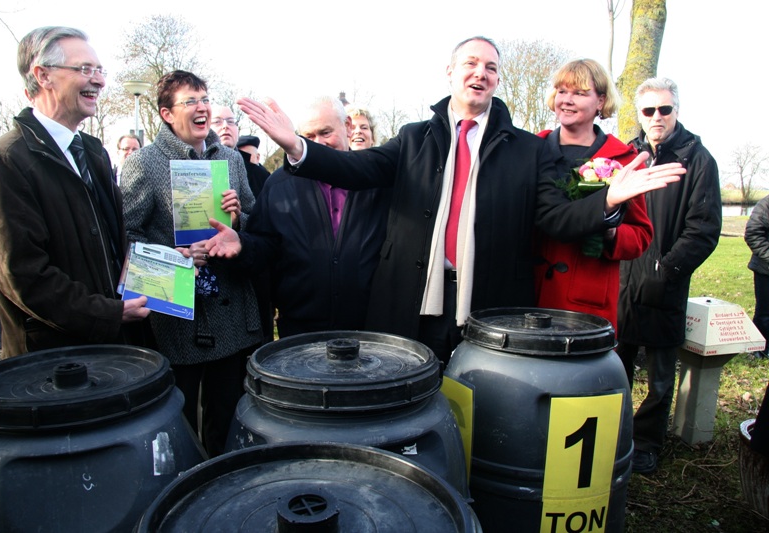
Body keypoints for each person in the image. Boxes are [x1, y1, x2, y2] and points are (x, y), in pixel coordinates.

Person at [226, 36, 685, 365]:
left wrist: (608, 200)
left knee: (480, 405)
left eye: (490, 67)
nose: (480, 72)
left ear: (497, 80)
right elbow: (356, 169)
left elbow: (555, 218)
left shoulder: (528, 150)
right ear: (450, 73)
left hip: (487, 303)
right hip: (413, 299)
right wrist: (297, 146)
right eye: (470, 63)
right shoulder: (413, 139)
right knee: (413, 396)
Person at [0, 26, 150, 358]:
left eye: (100, 70)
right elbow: (23, 276)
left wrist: (165, 266)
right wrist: (107, 314)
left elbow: (114, 245)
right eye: (85, 69)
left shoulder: (93, 153)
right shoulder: (6, 161)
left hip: (113, 350)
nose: (99, 81)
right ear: (43, 76)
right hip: (54, 363)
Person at [121, 70, 262, 457]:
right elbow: (127, 235)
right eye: (191, 101)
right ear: (167, 114)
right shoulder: (144, 163)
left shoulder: (231, 160)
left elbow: (255, 224)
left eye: (205, 99)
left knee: (227, 421)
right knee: (178, 427)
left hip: (231, 314)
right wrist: (175, 257)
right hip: (176, 319)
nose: (202, 108)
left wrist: (238, 219)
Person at [204, 97, 391, 338]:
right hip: (301, 332)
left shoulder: (378, 181)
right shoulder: (279, 185)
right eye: (309, 136)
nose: (318, 143)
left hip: (370, 331)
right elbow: (265, 245)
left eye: (326, 132)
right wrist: (242, 244)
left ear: (347, 126)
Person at [617, 77, 723, 474]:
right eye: (649, 110)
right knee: (617, 366)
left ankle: (646, 442)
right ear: (639, 114)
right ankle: (615, 435)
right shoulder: (628, 155)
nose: (657, 117)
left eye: (665, 109)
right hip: (622, 280)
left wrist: (667, 270)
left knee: (660, 376)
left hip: (664, 283)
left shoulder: (698, 159)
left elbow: (704, 228)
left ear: (677, 110)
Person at [534, 59, 652, 330]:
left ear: (601, 101)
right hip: (529, 292)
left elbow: (641, 235)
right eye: (562, 91)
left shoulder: (623, 160)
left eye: (579, 93)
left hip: (585, 301)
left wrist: (611, 232)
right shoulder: (531, 148)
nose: (567, 100)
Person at [745, 194, 769, 358]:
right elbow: (753, 233)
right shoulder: (766, 204)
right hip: (765, 269)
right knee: (765, 313)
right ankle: (759, 349)